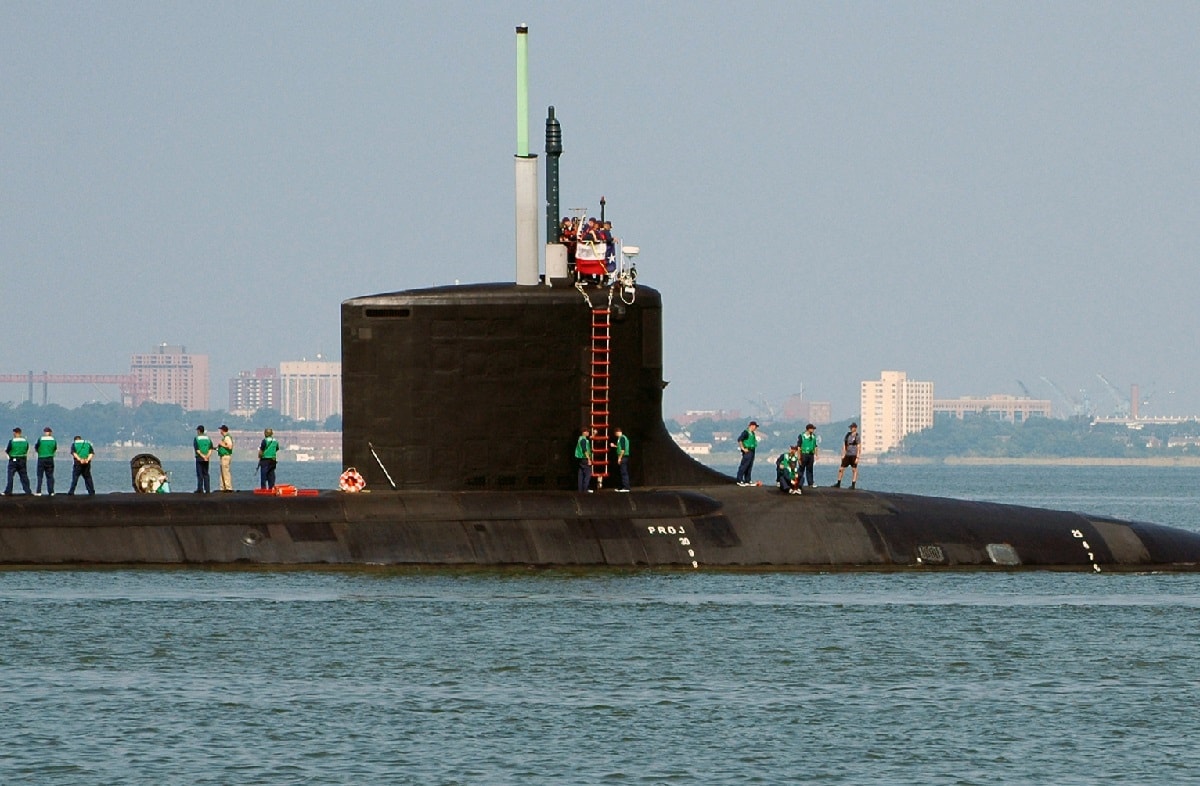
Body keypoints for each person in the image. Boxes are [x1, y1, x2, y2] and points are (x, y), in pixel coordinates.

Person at [4, 427, 32, 495]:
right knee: (24, 476)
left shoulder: (12, 441)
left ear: (16, 433)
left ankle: (8, 491)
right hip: (22, 459)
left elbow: (8, 450)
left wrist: (10, 454)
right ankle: (28, 490)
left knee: (10, 475)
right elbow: (27, 448)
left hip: (13, 459)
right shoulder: (25, 441)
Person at [834, 422, 861, 489]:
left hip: (854, 454)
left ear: (855, 428)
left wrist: (857, 457)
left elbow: (859, 447)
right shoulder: (847, 435)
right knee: (841, 469)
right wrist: (843, 454)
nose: (851, 429)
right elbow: (844, 445)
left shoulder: (857, 436)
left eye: (852, 427)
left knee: (854, 470)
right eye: (851, 427)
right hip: (847, 454)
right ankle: (838, 483)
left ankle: (853, 484)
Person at [34, 426, 57, 496]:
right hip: (50, 458)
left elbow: (36, 447)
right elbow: (55, 448)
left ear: (44, 432)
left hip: (41, 458)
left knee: (40, 476)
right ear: (50, 433)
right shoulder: (53, 440)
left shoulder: (40, 439)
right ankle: (51, 491)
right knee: (50, 475)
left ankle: (38, 491)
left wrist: (39, 452)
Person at [735, 421, 758, 486]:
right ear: (752, 426)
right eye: (755, 427)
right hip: (747, 451)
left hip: (752, 450)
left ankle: (747, 480)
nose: (755, 428)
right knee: (744, 465)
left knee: (749, 466)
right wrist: (743, 448)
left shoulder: (752, 433)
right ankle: (739, 480)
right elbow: (740, 440)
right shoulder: (746, 432)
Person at [193, 425, 214, 494]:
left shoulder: (197, 438)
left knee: (200, 474)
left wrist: (203, 456)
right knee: (206, 473)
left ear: (199, 431)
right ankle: (207, 489)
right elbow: (211, 448)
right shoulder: (208, 438)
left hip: (199, 458)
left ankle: (200, 489)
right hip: (207, 458)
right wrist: (207, 456)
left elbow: (197, 450)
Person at [575, 427, 593, 492]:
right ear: (584, 432)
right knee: (588, 473)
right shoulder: (583, 440)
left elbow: (589, 438)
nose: (588, 433)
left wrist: (594, 434)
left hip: (580, 458)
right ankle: (585, 489)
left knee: (581, 474)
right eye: (587, 432)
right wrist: (589, 459)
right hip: (584, 458)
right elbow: (584, 450)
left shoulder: (581, 438)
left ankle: (580, 489)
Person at [217, 425, 234, 492]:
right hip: (223, 456)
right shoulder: (225, 438)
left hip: (225, 456)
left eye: (220, 430)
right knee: (223, 472)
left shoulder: (227, 438)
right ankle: (223, 487)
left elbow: (229, 446)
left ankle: (228, 487)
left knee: (226, 472)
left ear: (222, 430)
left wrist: (221, 444)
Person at [614, 426, 631, 491]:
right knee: (621, 472)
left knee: (624, 472)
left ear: (617, 432)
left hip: (623, 457)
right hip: (622, 456)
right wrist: (615, 446)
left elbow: (623, 449)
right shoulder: (620, 439)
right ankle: (621, 487)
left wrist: (620, 458)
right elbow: (620, 447)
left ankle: (626, 487)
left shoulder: (622, 438)